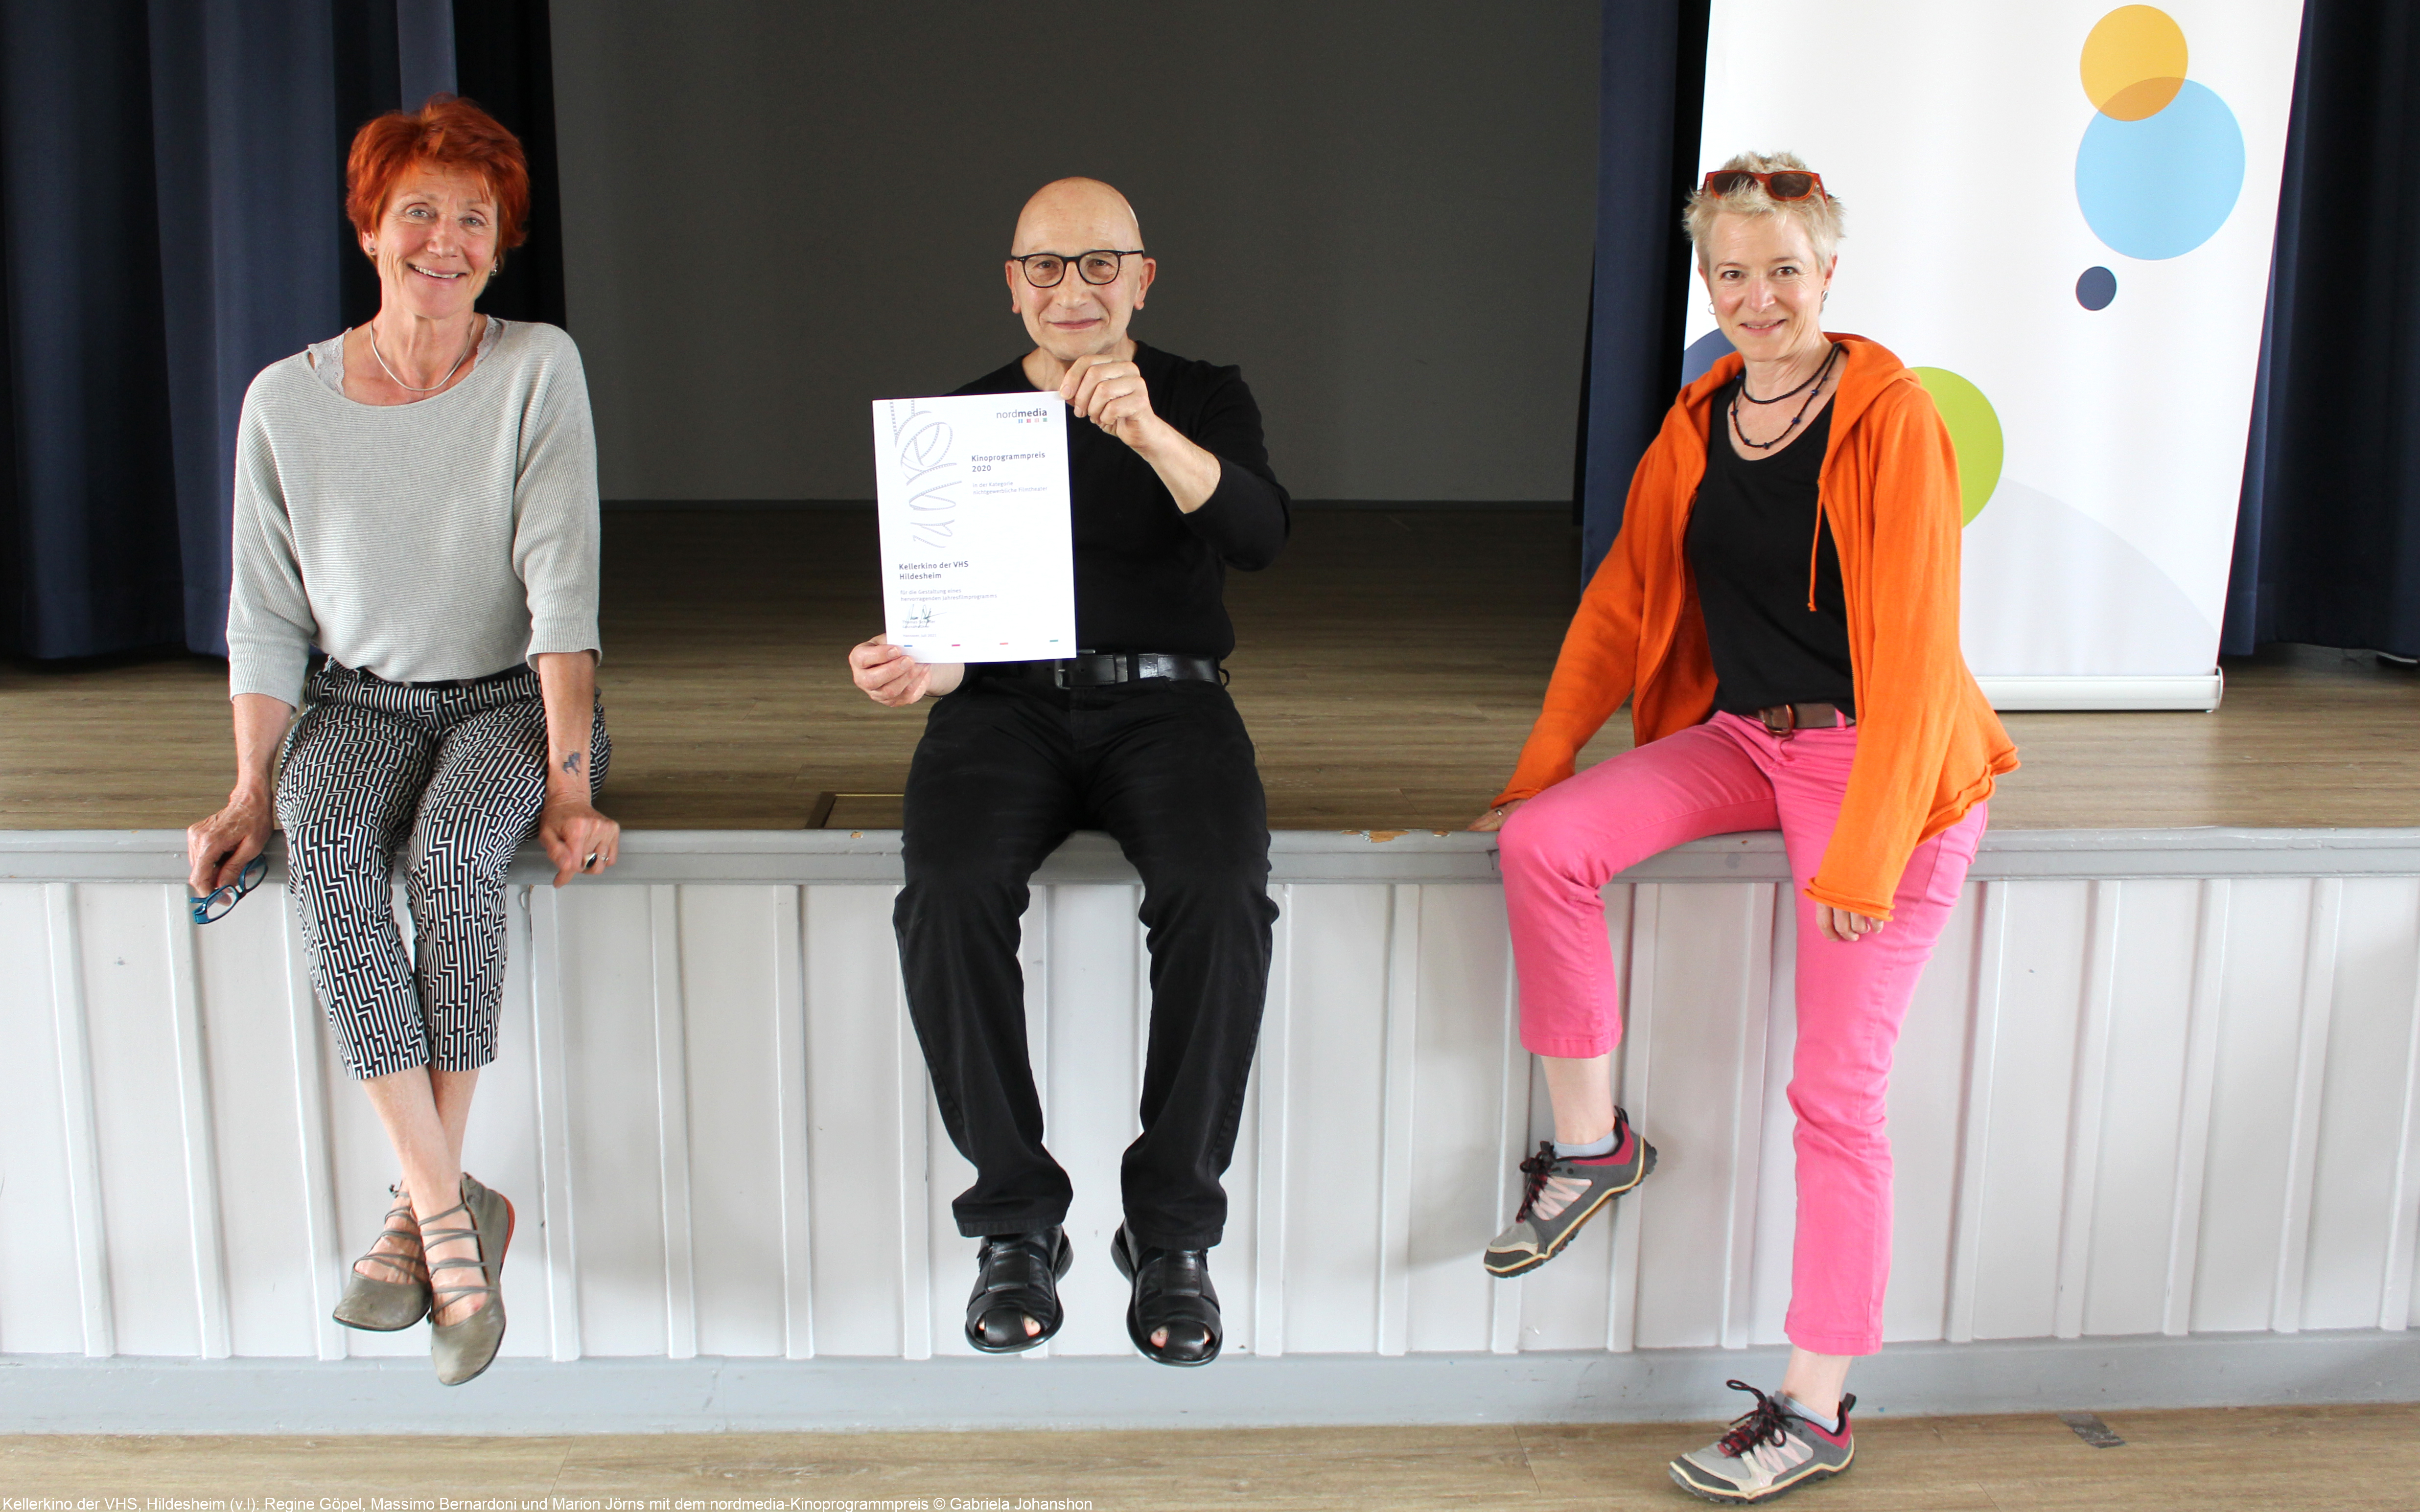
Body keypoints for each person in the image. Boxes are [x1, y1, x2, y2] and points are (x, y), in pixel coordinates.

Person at [1471, 152, 2018, 1502]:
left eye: (1784, 269)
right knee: (1543, 844)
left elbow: (1913, 644)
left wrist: (1873, 842)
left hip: (1886, 765)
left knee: (1836, 1097)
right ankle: (1595, 1142)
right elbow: (1622, 599)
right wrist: (1541, 766)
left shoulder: (1891, 419)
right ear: (1706, 285)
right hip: (1745, 738)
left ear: (1830, 271)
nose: (1759, 295)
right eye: (1733, 272)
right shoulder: (1704, 412)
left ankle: (1817, 1403)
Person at [184, 95, 616, 1387]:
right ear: (371, 225)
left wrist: (573, 783)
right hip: (359, 702)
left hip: (507, 699)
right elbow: (263, 617)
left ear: (502, 242)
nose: (444, 238)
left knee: (451, 859)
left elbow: (563, 593)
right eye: (417, 210)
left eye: (473, 218)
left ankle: (417, 1215)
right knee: (326, 854)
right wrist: (250, 788)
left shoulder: (539, 365)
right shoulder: (285, 401)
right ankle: (449, 1204)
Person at [848, 177, 1288, 1367]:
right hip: (1005, 710)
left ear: (1144, 278)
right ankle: (1014, 1220)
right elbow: (944, 618)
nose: (1074, 289)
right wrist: (927, 669)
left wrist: (1142, 427)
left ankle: (1172, 1234)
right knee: (944, 888)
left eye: (1102, 264)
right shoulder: (961, 421)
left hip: (1172, 706)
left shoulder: (1201, 395)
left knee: (1219, 890)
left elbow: (1257, 534)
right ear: (1013, 286)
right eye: (1048, 267)